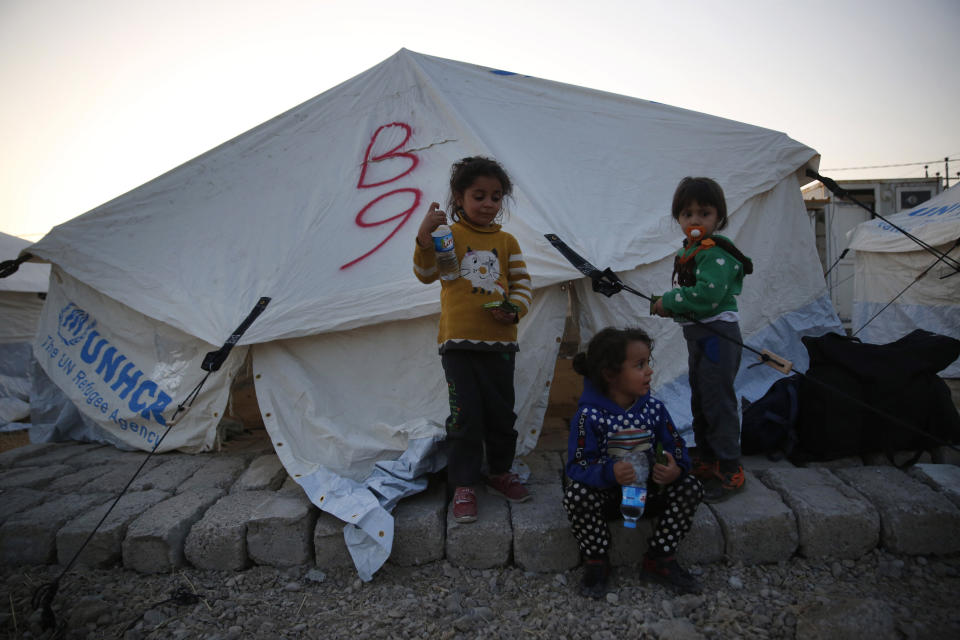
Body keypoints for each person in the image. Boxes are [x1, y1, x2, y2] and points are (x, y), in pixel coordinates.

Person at [413, 156, 533, 524]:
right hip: (458, 345)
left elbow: (523, 285)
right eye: (478, 195)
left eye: (495, 197)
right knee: (464, 417)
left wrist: (513, 309)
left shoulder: (507, 242)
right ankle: (463, 483)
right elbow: (427, 274)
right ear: (458, 197)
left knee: (501, 414)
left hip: (500, 347)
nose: (488, 204)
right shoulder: (448, 237)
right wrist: (423, 236)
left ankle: (499, 472)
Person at [563, 327, 703, 599]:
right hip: (610, 497)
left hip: (648, 492)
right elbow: (577, 466)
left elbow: (676, 446)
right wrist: (609, 472)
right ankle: (597, 560)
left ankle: (659, 558)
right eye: (639, 365)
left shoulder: (654, 409)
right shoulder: (588, 416)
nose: (649, 371)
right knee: (576, 495)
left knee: (691, 487)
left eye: (648, 363)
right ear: (610, 374)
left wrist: (675, 468)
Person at [651, 176, 753, 503]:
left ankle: (731, 469)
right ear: (678, 218)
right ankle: (708, 460)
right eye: (687, 213)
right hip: (699, 336)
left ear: (718, 218)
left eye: (704, 213)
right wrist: (669, 305)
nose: (695, 220)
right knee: (700, 397)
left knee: (718, 401)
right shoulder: (691, 251)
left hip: (718, 337)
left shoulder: (716, 253)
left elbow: (707, 296)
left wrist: (668, 302)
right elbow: (690, 299)